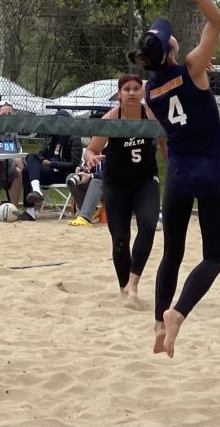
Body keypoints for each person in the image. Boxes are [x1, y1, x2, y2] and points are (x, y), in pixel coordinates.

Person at [127, 0, 220, 358]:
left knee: (172, 253)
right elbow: (216, 20)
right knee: (214, 257)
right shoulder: (191, 68)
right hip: (211, 175)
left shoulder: (150, 93)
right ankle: (178, 315)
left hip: (179, 177)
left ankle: (156, 322)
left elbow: (169, 105)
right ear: (172, 49)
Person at [71, 74, 167, 311]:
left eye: (136, 88)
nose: (132, 93)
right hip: (116, 185)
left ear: (143, 92)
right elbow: (90, 150)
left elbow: (166, 142)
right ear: (119, 94)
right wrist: (92, 158)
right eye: (127, 89)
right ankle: (125, 287)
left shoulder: (151, 115)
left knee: (147, 226)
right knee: (120, 238)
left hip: (145, 181)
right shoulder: (112, 118)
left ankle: (133, 284)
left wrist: (173, 162)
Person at [22, 110, 83, 221]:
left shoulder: (74, 138)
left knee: (27, 170)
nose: (58, 124)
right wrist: (41, 159)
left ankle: (35, 193)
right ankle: (31, 207)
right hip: (48, 170)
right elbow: (41, 154)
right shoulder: (51, 137)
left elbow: (74, 164)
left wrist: (51, 163)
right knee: (29, 161)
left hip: (62, 173)